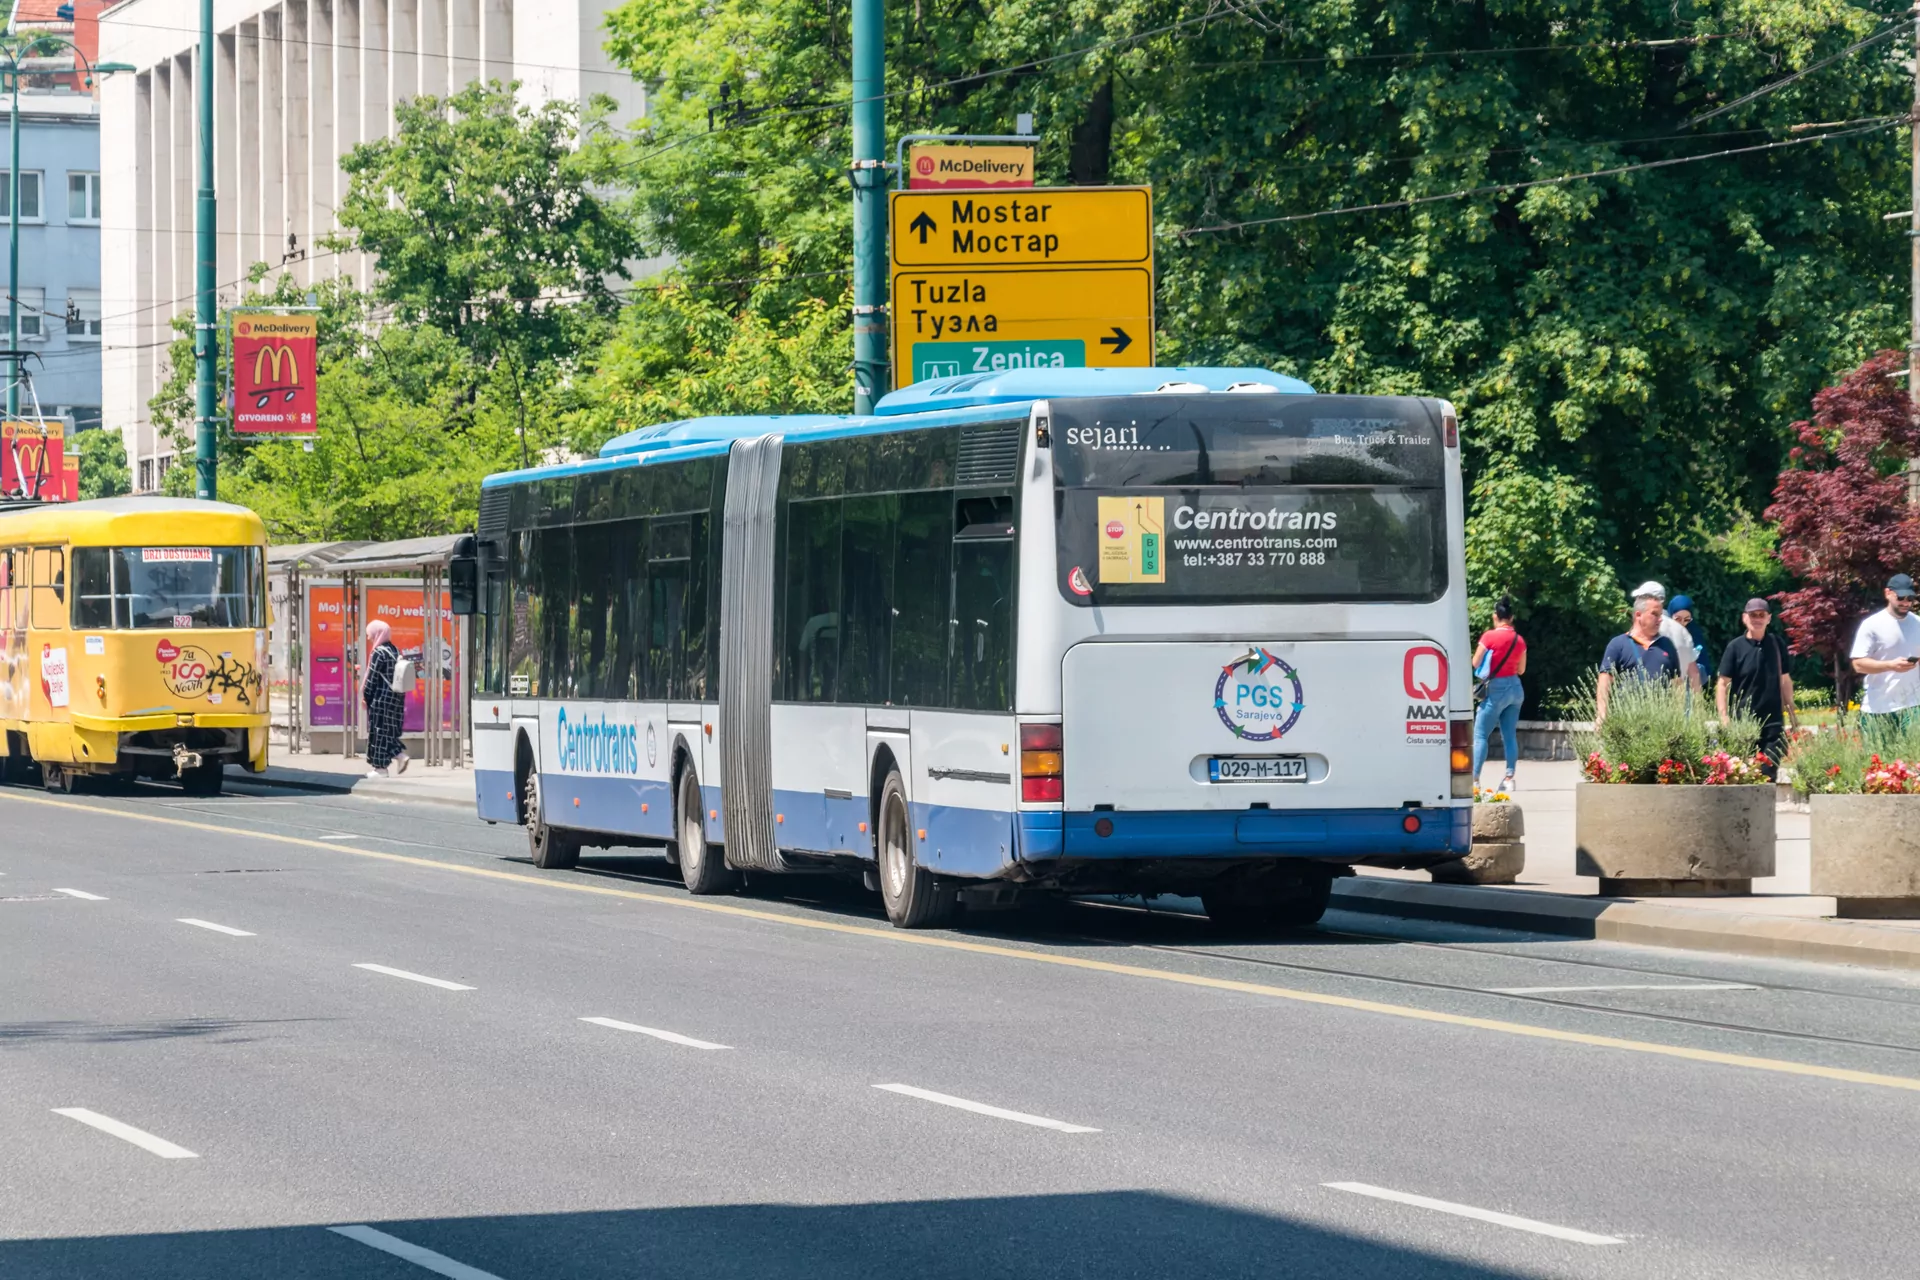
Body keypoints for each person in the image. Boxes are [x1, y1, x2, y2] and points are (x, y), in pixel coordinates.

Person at [1716, 598, 1796, 774]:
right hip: (1743, 722)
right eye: (1753, 615)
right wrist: (1724, 716)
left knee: (1768, 775)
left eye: (1761, 615)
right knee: (1743, 775)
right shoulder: (1735, 647)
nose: (1757, 619)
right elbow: (1722, 684)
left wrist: (1792, 712)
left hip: (1773, 723)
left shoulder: (1777, 644)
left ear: (1769, 618)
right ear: (1744, 618)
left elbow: (1785, 679)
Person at [1849, 574, 1920, 743]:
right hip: (1878, 708)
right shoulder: (1872, 624)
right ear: (1888, 593)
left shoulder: (1918, 623)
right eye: (1900, 597)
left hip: (1913, 705)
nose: (1906, 603)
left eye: (1910, 598)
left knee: (1913, 757)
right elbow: (1858, 664)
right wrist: (1890, 665)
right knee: (1877, 758)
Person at [1470, 597, 1527, 792]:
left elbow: (1475, 662)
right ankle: (1509, 779)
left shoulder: (1489, 637)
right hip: (1515, 689)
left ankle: (1474, 780)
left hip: (1495, 689)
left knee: (1480, 735)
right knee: (1509, 735)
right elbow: (1521, 670)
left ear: (1495, 616)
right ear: (1511, 618)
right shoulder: (1519, 640)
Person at [1596, 595, 1680, 724]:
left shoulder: (1667, 645)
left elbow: (1677, 683)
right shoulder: (1618, 644)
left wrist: (1678, 718)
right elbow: (1605, 680)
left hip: (1660, 725)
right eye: (1654, 614)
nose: (1660, 619)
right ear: (1638, 615)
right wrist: (1602, 715)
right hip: (1626, 722)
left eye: (1660, 615)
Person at [1628, 580, 1701, 694]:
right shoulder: (1682, 631)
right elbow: (1694, 672)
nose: (1636, 602)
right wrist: (1698, 700)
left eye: (1640, 598)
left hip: (1647, 696)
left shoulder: (1645, 629)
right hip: (1678, 696)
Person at [361, 619, 410, 779]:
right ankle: (399, 756)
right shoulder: (395, 650)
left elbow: (372, 678)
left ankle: (380, 769)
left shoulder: (379, 653)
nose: (368, 637)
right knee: (387, 732)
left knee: (378, 732)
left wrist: (366, 697)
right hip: (395, 698)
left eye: (370, 634)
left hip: (381, 700)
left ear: (377, 633)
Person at [1669, 594, 1712, 688]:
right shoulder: (1663, 633)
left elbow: (1704, 666)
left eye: (1687, 619)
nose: (1682, 623)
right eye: (1678, 619)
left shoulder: (1694, 634)